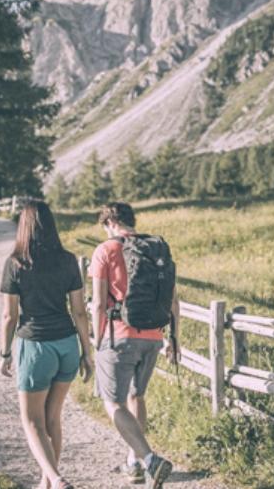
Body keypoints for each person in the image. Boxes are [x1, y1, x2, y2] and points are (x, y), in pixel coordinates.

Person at [0, 201, 93, 489]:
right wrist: (86, 353)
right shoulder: (67, 261)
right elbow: (79, 311)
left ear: (23, 227)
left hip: (35, 346)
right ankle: (46, 482)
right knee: (53, 418)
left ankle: (56, 479)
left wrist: (4, 352)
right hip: (66, 345)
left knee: (32, 422)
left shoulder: (15, 262)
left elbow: (9, 315)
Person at [89, 201, 180, 489]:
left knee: (113, 402)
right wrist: (174, 340)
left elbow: (99, 303)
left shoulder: (105, 250)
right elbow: (173, 300)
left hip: (118, 337)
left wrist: (96, 339)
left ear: (109, 223)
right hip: (153, 336)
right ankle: (134, 463)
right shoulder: (156, 249)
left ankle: (151, 460)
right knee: (136, 397)